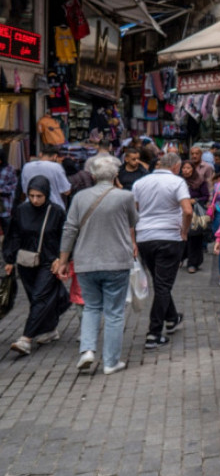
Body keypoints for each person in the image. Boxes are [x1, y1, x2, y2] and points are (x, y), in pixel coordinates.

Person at [55, 156, 137, 374]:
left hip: (85, 261)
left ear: (92, 175)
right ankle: (111, 362)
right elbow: (133, 221)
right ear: (115, 175)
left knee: (91, 307)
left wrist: (63, 261)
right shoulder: (125, 196)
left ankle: (88, 350)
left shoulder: (79, 197)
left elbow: (69, 229)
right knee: (114, 312)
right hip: (116, 261)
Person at [133, 152, 193, 350]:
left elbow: (133, 214)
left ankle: (172, 317)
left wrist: (133, 241)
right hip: (169, 236)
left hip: (145, 237)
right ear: (176, 167)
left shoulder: (140, 183)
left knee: (160, 282)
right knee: (163, 285)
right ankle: (154, 332)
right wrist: (184, 231)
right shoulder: (177, 182)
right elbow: (187, 210)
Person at [3, 176, 69, 355]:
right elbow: (14, 234)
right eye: (31, 195)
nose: (35, 199)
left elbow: (65, 236)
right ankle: (50, 328)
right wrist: (9, 259)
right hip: (26, 261)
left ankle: (26, 339)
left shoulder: (56, 212)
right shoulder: (21, 210)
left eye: (39, 196)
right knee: (36, 297)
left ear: (46, 194)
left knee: (40, 296)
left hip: (49, 261)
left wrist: (61, 259)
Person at [21, 145, 72, 210]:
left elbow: (25, 191)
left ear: (40, 154)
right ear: (55, 156)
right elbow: (66, 191)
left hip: (31, 206)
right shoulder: (56, 167)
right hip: (53, 207)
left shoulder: (26, 167)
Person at [181, 160, 210, 274]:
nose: (186, 170)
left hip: (195, 214)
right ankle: (181, 258)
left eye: (189, 168)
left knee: (194, 237)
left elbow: (205, 196)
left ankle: (193, 263)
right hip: (180, 213)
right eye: (184, 168)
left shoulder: (200, 181)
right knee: (181, 237)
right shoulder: (178, 181)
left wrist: (195, 200)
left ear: (193, 170)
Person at [0, 154, 17, 232]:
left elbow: (14, 184)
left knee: (7, 226)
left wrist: (3, 190)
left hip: (5, 201)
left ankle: (8, 243)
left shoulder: (10, 169)